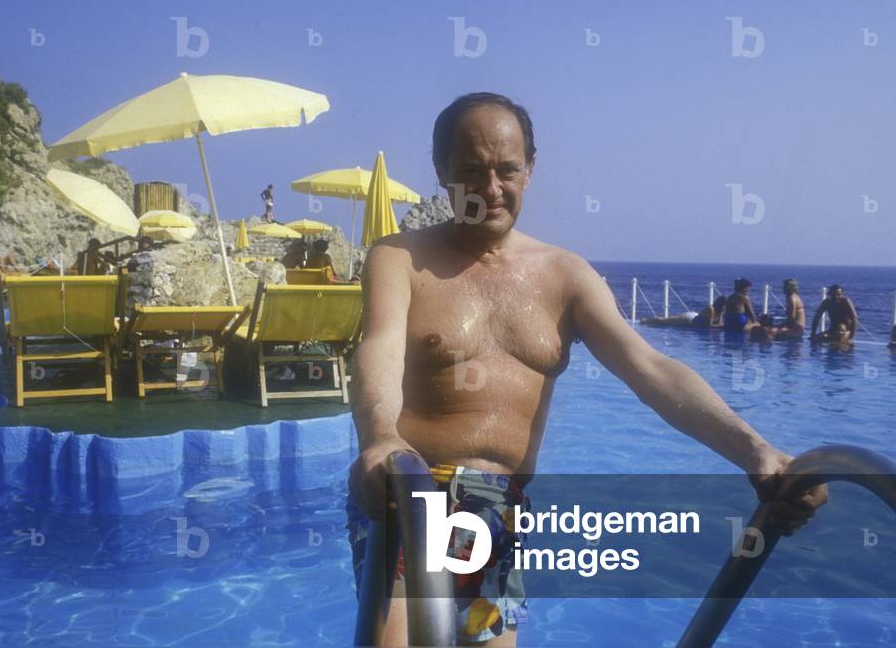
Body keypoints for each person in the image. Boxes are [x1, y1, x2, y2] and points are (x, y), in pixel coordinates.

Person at [347, 92, 827, 646]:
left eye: (507, 170)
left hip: (501, 511)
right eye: (469, 172)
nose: (491, 189)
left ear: (531, 168)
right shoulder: (399, 258)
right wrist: (380, 438)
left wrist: (755, 450)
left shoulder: (565, 275)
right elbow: (379, 350)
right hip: (409, 490)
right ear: (439, 172)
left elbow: (649, 368)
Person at [640, 295, 726, 328]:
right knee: (665, 321)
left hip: (694, 320)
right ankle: (645, 321)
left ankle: (647, 320)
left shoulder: (720, 310)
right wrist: (721, 326)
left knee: (665, 321)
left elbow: (719, 323)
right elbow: (709, 325)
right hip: (689, 319)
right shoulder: (711, 309)